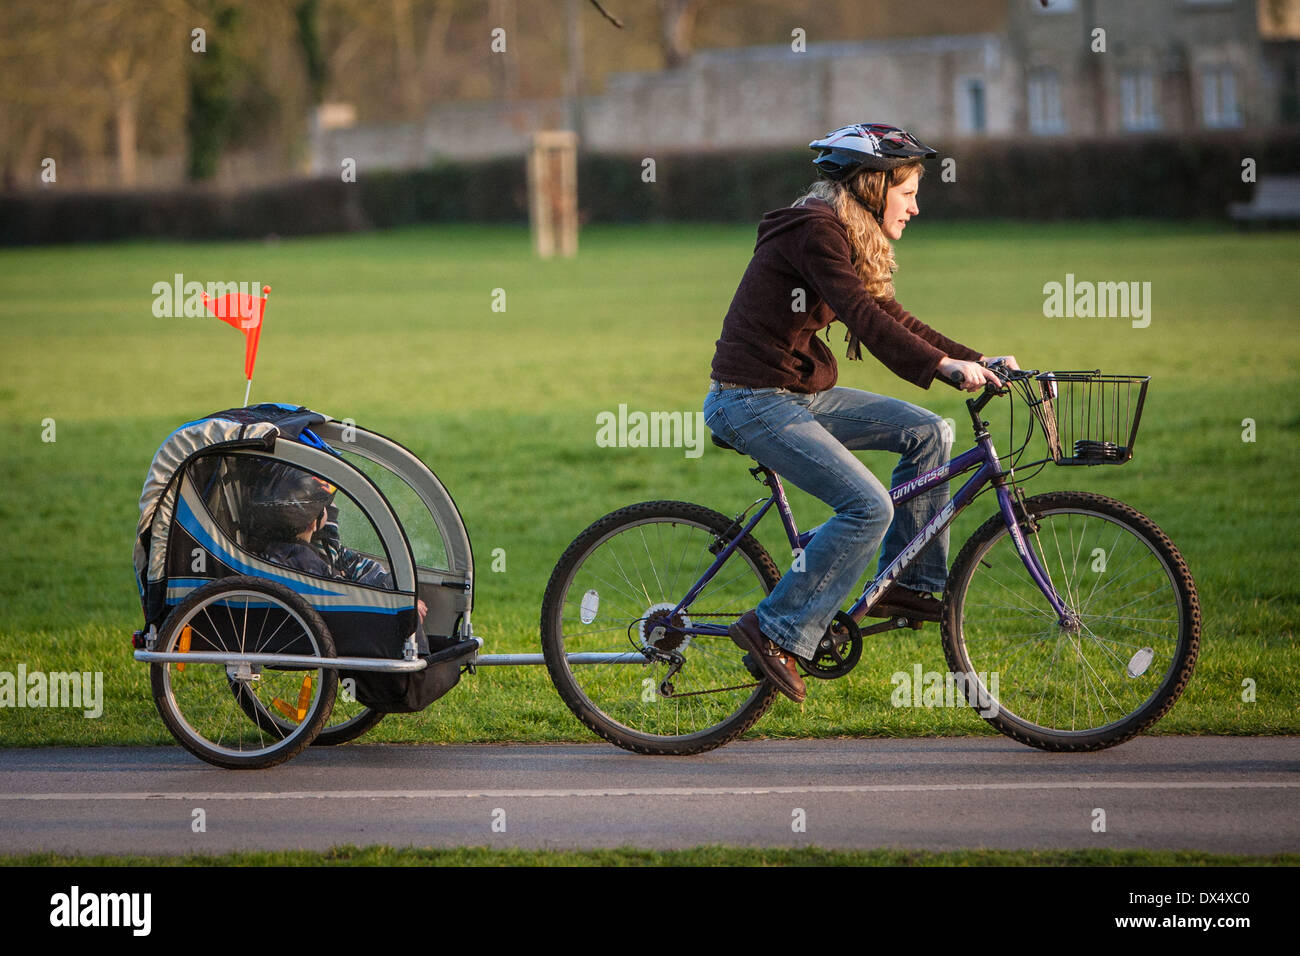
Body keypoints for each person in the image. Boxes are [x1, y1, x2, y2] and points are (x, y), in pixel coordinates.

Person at [703, 122, 1017, 703]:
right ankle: (772, 629)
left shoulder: (844, 231)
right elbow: (866, 323)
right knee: (867, 506)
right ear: (874, 187)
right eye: (908, 193)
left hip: (797, 394)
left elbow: (891, 315)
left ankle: (913, 584)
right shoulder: (816, 231)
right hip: (751, 401)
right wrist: (941, 369)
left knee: (929, 431)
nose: (916, 209)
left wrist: (976, 359)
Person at [247, 463, 428, 620]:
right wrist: (400, 602)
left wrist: (392, 586)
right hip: (345, 623)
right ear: (312, 522)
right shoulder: (305, 561)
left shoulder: (307, 549)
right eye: (324, 507)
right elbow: (344, 595)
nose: (331, 509)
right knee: (410, 616)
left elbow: (345, 559)